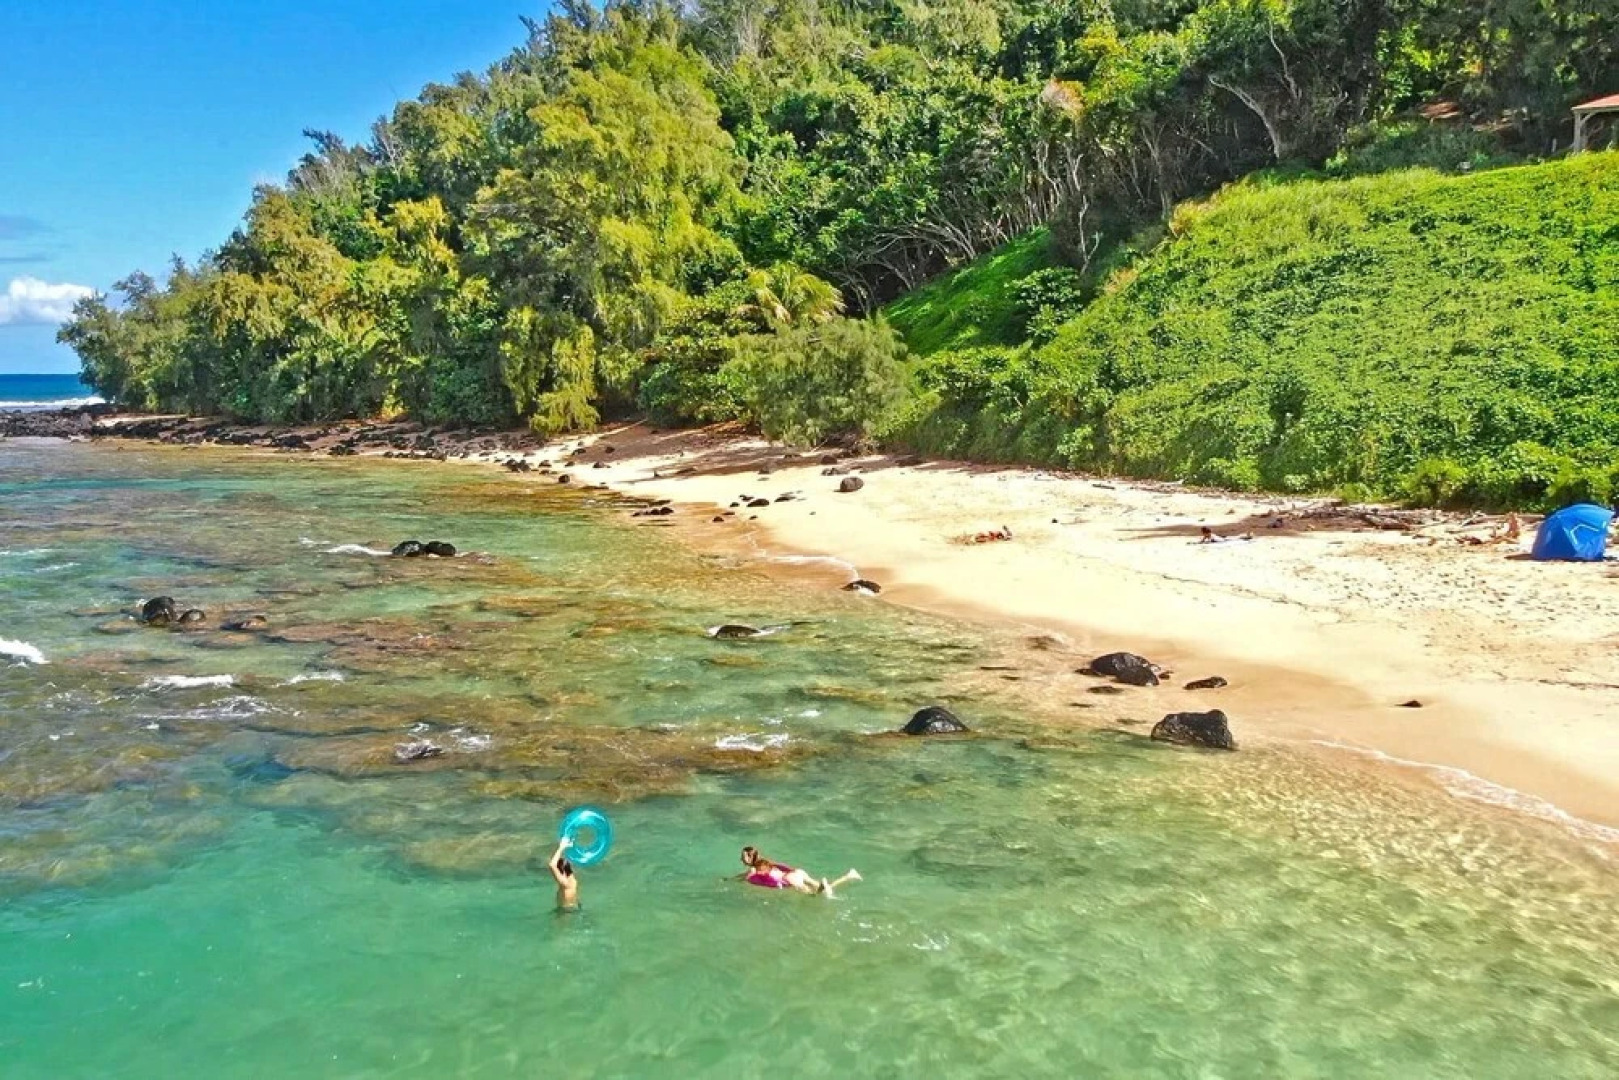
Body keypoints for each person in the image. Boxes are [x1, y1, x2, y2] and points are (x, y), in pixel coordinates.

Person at [738, 845, 862, 898]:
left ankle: (825, 884)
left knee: (814, 896)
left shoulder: (753, 869)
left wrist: (731, 880)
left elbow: (744, 877)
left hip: (789, 879)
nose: (741, 859)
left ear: (750, 858)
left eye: (744, 857)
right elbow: (781, 865)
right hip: (796, 873)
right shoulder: (765, 862)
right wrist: (794, 870)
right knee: (824, 890)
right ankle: (849, 875)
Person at [549, 837, 580, 912]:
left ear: (562, 873)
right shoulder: (573, 882)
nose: (556, 876)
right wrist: (567, 846)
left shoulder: (565, 884)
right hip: (574, 908)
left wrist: (561, 847)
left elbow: (552, 865)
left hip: (565, 912)